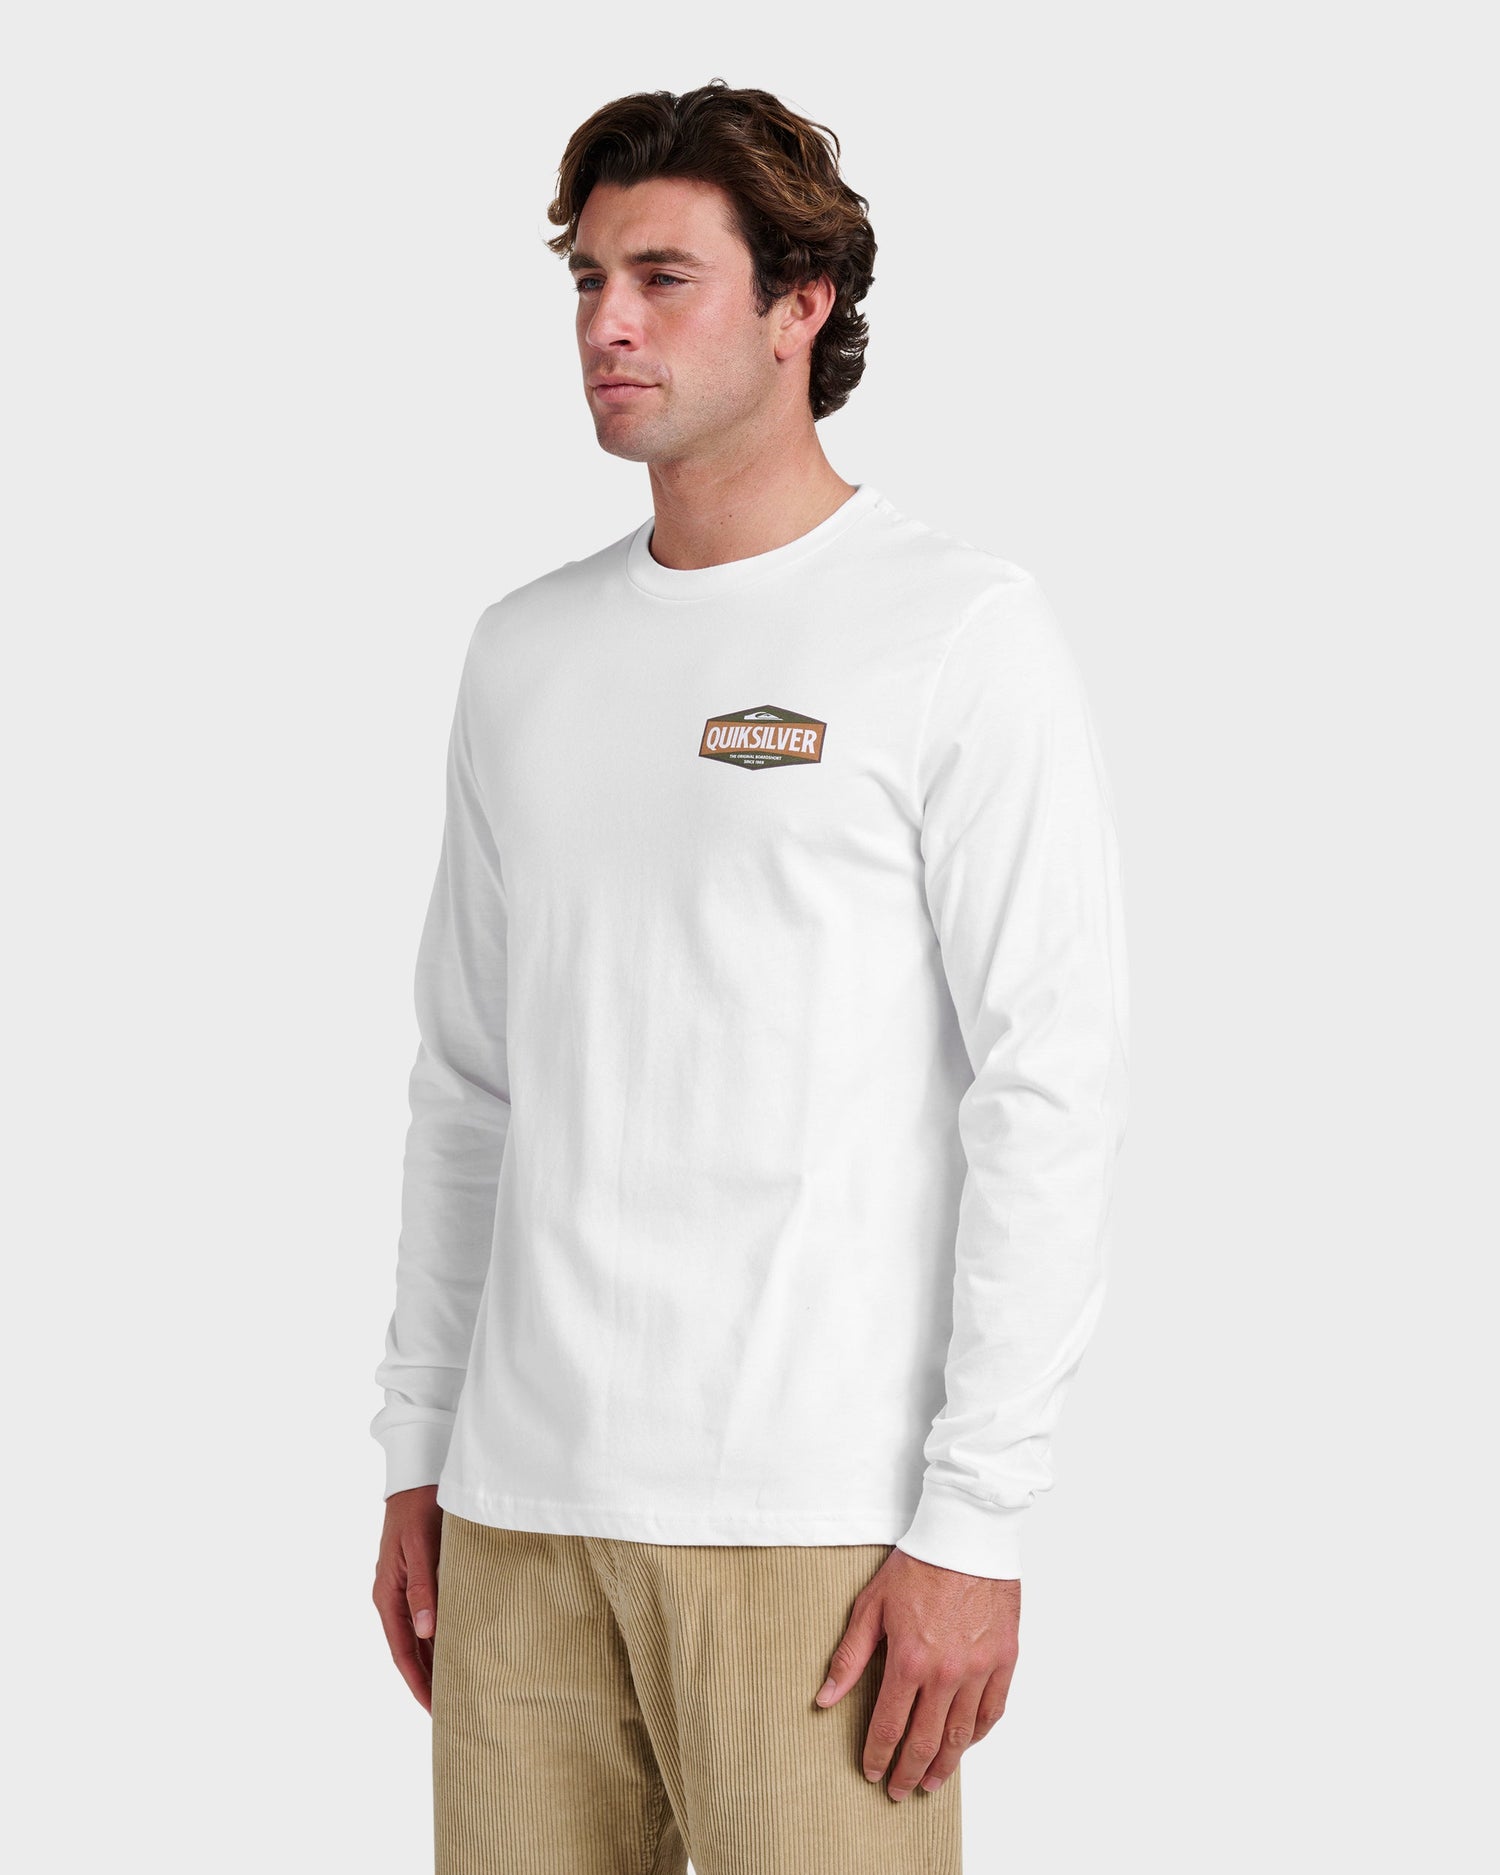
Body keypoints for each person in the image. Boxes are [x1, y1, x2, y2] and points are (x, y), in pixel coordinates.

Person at [370, 77, 1128, 1875]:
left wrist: (976, 1521)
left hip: (820, 1531)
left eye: (662, 278)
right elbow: (468, 1082)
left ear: (803, 305)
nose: (606, 326)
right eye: (585, 280)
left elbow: (1050, 1083)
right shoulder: (523, 651)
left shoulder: (956, 630)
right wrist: (418, 1446)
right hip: (520, 1517)